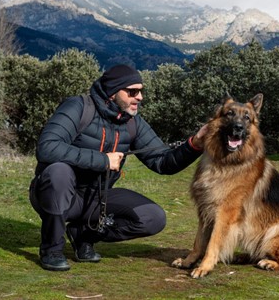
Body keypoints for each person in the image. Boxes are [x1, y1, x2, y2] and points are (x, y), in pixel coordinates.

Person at [29, 64, 206, 271]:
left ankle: (82, 235)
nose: (139, 97)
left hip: (97, 198)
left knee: (153, 218)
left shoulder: (133, 123)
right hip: (54, 194)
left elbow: (163, 162)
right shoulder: (78, 107)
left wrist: (194, 144)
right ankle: (51, 250)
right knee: (59, 172)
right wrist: (103, 160)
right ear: (113, 93)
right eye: (132, 91)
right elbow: (47, 147)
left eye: (141, 91)